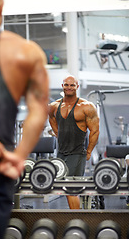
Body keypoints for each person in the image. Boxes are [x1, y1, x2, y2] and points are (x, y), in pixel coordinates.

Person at [0, 0, 49, 238]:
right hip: (4, 165)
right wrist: (18, 156)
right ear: (2, 10)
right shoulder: (27, 51)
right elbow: (39, 110)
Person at [48, 75, 99, 209]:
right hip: (61, 153)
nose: (69, 87)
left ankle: (77, 219)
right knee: (65, 189)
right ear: (62, 86)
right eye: (66, 85)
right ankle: (77, 216)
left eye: (72, 85)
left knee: (71, 189)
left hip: (77, 153)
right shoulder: (54, 106)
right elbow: (52, 119)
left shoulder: (86, 107)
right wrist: (59, 134)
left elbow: (94, 131)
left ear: (77, 86)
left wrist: (88, 152)